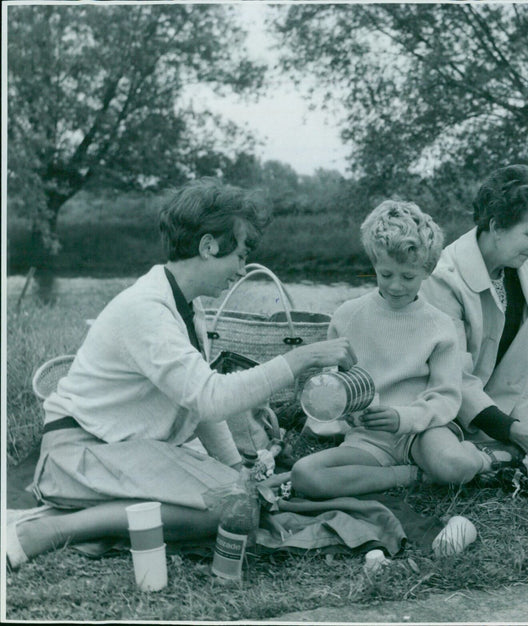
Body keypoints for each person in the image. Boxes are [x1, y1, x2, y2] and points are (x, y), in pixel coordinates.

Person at [6, 178, 356, 569]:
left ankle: (97, 517)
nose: (242, 269)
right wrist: (298, 360)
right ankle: (46, 531)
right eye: (239, 256)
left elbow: (199, 406)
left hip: (121, 450)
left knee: (239, 501)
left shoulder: (187, 306)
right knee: (227, 511)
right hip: (80, 456)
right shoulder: (147, 309)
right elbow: (211, 395)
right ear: (208, 247)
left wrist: (237, 470)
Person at [292, 201, 504, 498]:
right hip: (369, 440)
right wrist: (346, 413)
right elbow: (336, 387)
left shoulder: (441, 325)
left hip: (423, 433)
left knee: (456, 466)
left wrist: (403, 418)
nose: (395, 286)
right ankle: (409, 475)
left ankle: (484, 457)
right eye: (385, 274)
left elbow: (446, 397)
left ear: (428, 270)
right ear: (374, 263)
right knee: (305, 475)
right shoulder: (347, 316)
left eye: (408, 277)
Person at [419, 164, 528, 461]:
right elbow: (452, 378)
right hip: (444, 412)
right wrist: (513, 431)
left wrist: (527, 442)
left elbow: (519, 374)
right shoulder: (443, 279)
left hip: (500, 423)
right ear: (496, 226)